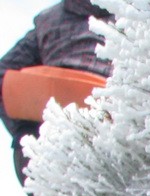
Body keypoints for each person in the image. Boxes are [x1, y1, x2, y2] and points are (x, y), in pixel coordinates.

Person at [0, 0, 113, 186]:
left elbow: (3, 77)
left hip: (45, 134)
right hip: (110, 129)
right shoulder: (136, 19)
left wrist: (22, 128)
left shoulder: (48, 19)